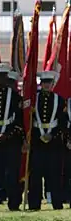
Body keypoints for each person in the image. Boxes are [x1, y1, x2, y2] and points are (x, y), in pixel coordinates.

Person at [0, 64, 24, 211]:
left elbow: (19, 121)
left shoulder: (14, 96)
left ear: (6, 78)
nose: (0, 79)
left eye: (2, 76)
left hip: (10, 140)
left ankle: (14, 203)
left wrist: (7, 135)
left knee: (12, 174)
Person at [28, 71, 65, 210]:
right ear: (41, 84)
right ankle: (34, 203)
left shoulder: (59, 100)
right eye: (44, 83)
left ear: (52, 84)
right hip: (38, 141)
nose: (46, 85)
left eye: (49, 83)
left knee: (54, 174)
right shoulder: (34, 99)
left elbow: (62, 121)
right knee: (36, 175)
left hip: (53, 142)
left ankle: (57, 203)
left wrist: (52, 135)